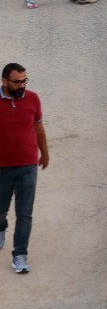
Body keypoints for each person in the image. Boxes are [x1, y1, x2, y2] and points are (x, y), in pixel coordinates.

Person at [0, 63, 49, 274]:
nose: (22, 85)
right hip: (1, 166)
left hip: (28, 164)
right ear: (4, 81)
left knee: (25, 213)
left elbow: (38, 127)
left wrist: (44, 152)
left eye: (24, 81)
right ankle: (1, 226)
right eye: (17, 82)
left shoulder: (33, 98)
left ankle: (20, 255)